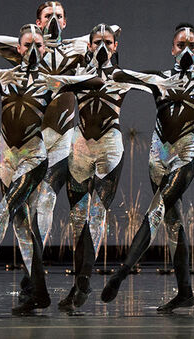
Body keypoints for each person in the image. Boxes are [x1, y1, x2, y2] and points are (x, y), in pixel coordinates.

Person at [99, 23, 194, 312]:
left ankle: (120, 273)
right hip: (158, 158)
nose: (185, 50)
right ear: (172, 49)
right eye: (180, 45)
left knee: (157, 210)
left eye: (191, 45)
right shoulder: (159, 79)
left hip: (186, 155)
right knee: (173, 224)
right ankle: (185, 292)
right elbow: (120, 75)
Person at [0, 24, 92, 313]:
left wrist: (81, 58)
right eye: (26, 45)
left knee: (4, 212)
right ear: (18, 49)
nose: (33, 50)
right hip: (8, 159)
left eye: (38, 46)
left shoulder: (52, 81)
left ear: (45, 49)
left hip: (34, 159)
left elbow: (95, 83)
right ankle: (40, 293)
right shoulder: (5, 77)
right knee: (22, 228)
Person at [0, 3, 109, 304]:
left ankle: (40, 279)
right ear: (37, 23)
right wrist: (27, 42)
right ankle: (34, 274)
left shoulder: (75, 52)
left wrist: (76, 40)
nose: (54, 20)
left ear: (67, 20)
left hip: (62, 139)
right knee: (25, 210)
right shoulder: (28, 53)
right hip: (34, 139)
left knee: (47, 204)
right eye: (47, 16)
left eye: (59, 15)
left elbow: (112, 31)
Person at [58, 24, 175, 310]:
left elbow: (157, 82)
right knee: (76, 221)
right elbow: (52, 82)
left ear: (115, 46)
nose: (102, 46)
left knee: (96, 214)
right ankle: (77, 285)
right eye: (96, 41)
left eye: (107, 42)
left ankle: (84, 278)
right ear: (88, 45)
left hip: (109, 146)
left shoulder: (122, 76)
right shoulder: (77, 74)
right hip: (80, 146)